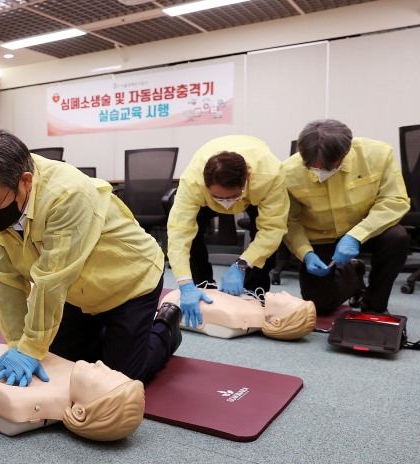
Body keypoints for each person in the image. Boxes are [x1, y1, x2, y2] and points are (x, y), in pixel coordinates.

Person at [0, 129, 182, 387]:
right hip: (76, 292)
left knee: (116, 382)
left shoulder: (67, 194)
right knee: (58, 364)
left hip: (128, 283)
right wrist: (18, 344)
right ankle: (110, 334)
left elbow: (51, 279)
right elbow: (4, 277)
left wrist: (31, 347)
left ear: (25, 181)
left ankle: (165, 327)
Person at [282, 119, 410, 315]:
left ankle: (375, 305)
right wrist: (304, 252)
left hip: (369, 230)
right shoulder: (288, 172)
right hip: (322, 235)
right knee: (320, 306)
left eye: (329, 167)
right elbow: (291, 220)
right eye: (314, 169)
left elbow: (394, 200)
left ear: (346, 152)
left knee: (397, 238)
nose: (321, 173)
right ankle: (353, 273)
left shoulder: (377, 154)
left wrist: (356, 235)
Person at [166, 135, 288, 328]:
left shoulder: (269, 175)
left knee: (264, 232)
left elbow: (272, 229)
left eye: (232, 196)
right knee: (190, 234)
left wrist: (242, 265)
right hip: (205, 193)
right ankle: (201, 284)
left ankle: (253, 289)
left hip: (257, 191)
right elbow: (179, 234)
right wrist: (185, 283)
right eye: (217, 197)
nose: (224, 203)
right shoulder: (193, 182)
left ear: (247, 177)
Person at [0, 342, 144, 442]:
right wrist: (27, 346)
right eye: (110, 370)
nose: (100, 363)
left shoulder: (30, 405)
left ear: (79, 412)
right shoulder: (75, 373)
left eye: (105, 375)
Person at [161, 288, 316, 341]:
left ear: (276, 321)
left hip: (172, 301)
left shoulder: (235, 317)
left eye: (287, 299)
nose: (285, 292)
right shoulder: (253, 305)